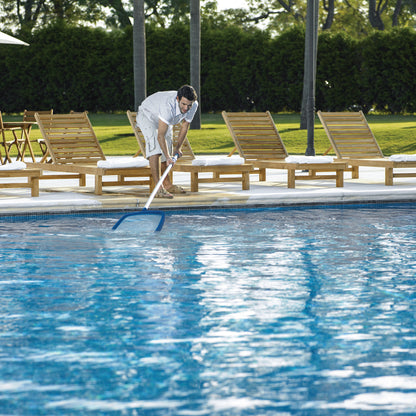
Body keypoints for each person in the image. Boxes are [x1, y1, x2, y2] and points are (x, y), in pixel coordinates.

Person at [137, 85, 198, 198]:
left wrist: (177, 148)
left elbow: (185, 126)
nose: (186, 108)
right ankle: (158, 188)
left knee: (168, 149)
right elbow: (160, 136)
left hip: (165, 120)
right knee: (156, 149)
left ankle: (167, 185)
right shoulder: (167, 106)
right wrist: (168, 156)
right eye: (183, 104)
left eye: (189, 105)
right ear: (177, 99)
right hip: (148, 115)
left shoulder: (193, 105)